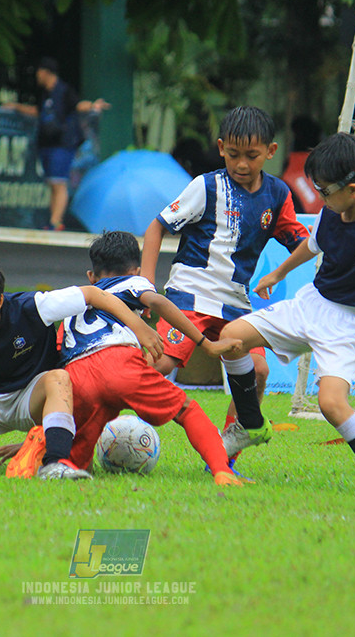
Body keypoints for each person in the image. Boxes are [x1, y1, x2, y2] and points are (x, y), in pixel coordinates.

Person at [216, 132, 355, 497]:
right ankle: (250, 424)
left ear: (353, 190)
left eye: (323, 191)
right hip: (310, 304)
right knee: (232, 338)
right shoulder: (331, 213)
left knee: (331, 404)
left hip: (348, 325)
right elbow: (311, 244)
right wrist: (279, 273)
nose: (320, 197)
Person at [0, 232, 246, 484]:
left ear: (91, 277)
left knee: (76, 464)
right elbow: (158, 301)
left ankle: (41, 448)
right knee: (187, 411)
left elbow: (55, 366)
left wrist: (48, 429)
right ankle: (221, 471)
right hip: (119, 364)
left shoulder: (73, 305)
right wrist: (207, 344)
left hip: (77, 377)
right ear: (136, 271)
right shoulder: (132, 283)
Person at [0, 246, 164, 480]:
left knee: (58, 378)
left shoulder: (34, 307)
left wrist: (140, 328)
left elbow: (94, 295)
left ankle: (56, 465)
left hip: (31, 399)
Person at [140, 105, 309, 467]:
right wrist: (145, 286)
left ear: (270, 152)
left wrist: (283, 271)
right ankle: (106, 426)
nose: (242, 164)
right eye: (233, 155)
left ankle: (225, 450)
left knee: (259, 372)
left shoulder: (278, 195)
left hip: (235, 303)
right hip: (190, 294)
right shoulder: (206, 186)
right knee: (159, 363)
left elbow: (303, 244)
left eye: (252, 155)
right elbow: (156, 228)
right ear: (220, 148)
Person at [4, 57, 110, 231]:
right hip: (46, 144)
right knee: (51, 183)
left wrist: (93, 105)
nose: (37, 76)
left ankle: (55, 222)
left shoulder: (64, 91)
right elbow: (36, 111)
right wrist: (16, 107)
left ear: (46, 72)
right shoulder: (45, 94)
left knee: (59, 183)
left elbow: (78, 105)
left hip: (62, 144)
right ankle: (53, 220)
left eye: (39, 72)